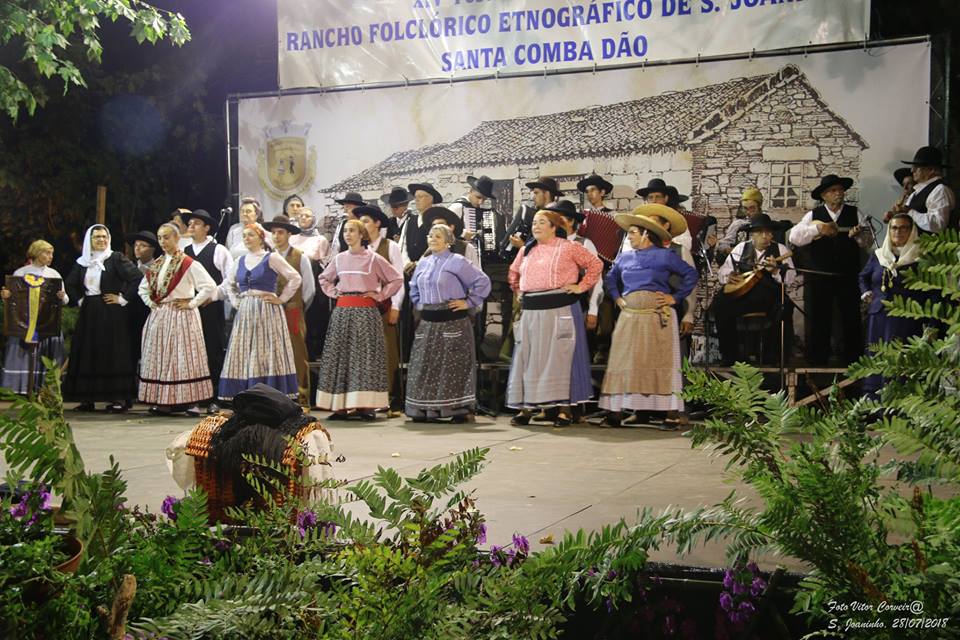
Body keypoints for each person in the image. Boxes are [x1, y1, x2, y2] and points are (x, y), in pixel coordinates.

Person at [598, 205, 698, 428]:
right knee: (624, 361)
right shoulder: (624, 258)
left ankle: (671, 413)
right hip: (630, 317)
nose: (629, 236)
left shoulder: (665, 256)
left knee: (661, 362)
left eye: (633, 232)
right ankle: (615, 412)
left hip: (656, 316)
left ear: (645, 234)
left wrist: (676, 297)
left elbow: (691, 274)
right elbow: (610, 278)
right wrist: (617, 297)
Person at [507, 209, 602, 427]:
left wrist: (581, 286)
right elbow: (513, 273)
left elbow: (596, 265)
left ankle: (564, 409)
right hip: (532, 311)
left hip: (559, 309)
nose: (536, 226)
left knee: (559, 358)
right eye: (534, 223)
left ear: (554, 227)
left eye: (542, 222)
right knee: (528, 358)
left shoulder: (568, 247)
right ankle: (527, 407)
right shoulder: (527, 249)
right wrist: (519, 291)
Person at [316, 219, 403, 420]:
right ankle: (341, 406)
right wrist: (334, 292)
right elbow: (324, 278)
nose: (348, 234)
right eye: (345, 231)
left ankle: (366, 407)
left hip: (365, 312)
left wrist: (379, 295)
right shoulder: (339, 258)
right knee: (341, 356)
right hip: (343, 311)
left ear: (362, 234)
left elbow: (396, 278)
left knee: (364, 358)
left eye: (352, 231)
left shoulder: (372, 258)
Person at [406, 223, 491, 422]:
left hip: (452, 320)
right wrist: (420, 305)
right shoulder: (424, 263)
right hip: (428, 322)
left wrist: (468, 302)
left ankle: (456, 409)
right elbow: (413, 286)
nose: (432, 239)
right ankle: (425, 409)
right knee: (425, 365)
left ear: (448, 241)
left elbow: (482, 281)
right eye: (430, 235)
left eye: (437, 236)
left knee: (452, 366)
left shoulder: (457, 261)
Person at [788, 174, 872, 366]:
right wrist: (818, 230)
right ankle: (818, 361)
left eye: (840, 190)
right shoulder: (813, 215)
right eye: (833, 190)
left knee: (850, 318)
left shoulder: (855, 213)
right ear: (824, 195)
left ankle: (853, 363)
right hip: (820, 276)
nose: (838, 193)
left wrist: (858, 237)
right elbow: (795, 237)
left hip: (848, 275)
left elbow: (866, 243)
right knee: (819, 319)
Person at [138, 223, 218, 414]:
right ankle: (165, 401)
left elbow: (209, 286)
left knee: (185, 358)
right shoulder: (157, 264)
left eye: (166, 237)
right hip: (161, 316)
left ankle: (193, 403)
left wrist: (191, 303)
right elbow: (142, 288)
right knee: (163, 358)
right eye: (160, 238)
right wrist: (151, 303)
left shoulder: (188, 263)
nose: (163, 241)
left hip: (182, 316)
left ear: (176, 238)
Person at [62, 224, 142, 411]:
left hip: (111, 311)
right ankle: (87, 398)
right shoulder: (83, 262)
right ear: (89, 240)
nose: (101, 240)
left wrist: (123, 298)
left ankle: (117, 398)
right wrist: (80, 300)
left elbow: (137, 278)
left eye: (104, 236)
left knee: (111, 351)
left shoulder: (115, 258)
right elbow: (70, 283)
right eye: (97, 237)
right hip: (90, 311)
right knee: (88, 351)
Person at [218, 225, 301, 402]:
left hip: (267, 310)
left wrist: (281, 298)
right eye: (245, 236)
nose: (246, 238)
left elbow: (295, 277)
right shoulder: (239, 260)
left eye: (251, 235)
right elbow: (229, 285)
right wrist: (236, 301)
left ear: (261, 238)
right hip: (246, 311)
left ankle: (270, 392)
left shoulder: (271, 258)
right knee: (245, 350)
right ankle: (246, 393)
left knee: (266, 350)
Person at [858, 214, 932, 396]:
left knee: (901, 363)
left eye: (903, 228)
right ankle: (875, 408)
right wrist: (866, 291)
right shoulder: (879, 255)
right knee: (877, 361)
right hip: (879, 318)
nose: (898, 232)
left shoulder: (921, 257)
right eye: (894, 228)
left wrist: (932, 325)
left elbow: (932, 292)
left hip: (907, 319)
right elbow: (863, 276)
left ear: (912, 230)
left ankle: (900, 410)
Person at [712, 213, 796, 366]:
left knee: (786, 306)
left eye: (768, 232)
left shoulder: (781, 249)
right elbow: (723, 272)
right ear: (753, 234)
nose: (765, 236)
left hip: (770, 297)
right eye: (760, 232)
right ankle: (730, 356)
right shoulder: (741, 248)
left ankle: (775, 356)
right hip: (744, 296)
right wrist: (729, 276)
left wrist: (776, 272)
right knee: (720, 303)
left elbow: (790, 277)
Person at [182, 209, 234, 415]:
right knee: (191, 353)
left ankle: (215, 398)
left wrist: (212, 296)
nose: (191, 227)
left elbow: (229, 279)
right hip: (188, 309)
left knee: (212, 351)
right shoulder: (184, 251)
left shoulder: (218, 250)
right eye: (190, 223)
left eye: (196, 223)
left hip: (210, 309)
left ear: (207, 228)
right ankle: (193, 399)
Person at [1, 240, 68, 394]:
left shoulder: (54, 274)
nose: (50, 256)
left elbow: (65, 299)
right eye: (47, 253)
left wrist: (62, 296)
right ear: (37, 253)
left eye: (52, 253)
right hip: (24, 324)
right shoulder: (21, 273)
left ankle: (45, 389)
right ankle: (22, 388)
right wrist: (6, 295)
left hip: (46, 324)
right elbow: (12, 298)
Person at [357, 205, 406, 416]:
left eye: (366, 221)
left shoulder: (390, 246)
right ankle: (369, 398)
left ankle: (391, 399)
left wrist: (395, 305)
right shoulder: (362, 250)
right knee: (367, 353)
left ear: (377, 223)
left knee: (389, 352)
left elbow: (399, 279)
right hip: (365, 309)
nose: (364, 226)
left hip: (385, 307)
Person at [264, 214, 316, 406]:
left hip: (293, 311)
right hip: (270, 312)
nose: (277, 236)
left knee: (297, 354)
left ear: (288, 234)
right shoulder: (267, 257)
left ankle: (302, 399)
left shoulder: (299, 257)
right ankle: (276, 398)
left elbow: (309, 289)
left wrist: (298, 305)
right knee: (272, 354)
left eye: (281, 232)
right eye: (274, 232)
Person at [125, 230, 161, 389]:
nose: (138, 248)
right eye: (136, 245)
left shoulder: (159, 268)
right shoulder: (128, 268)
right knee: (130, 350)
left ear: (152, 249)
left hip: (151, 314)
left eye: (143, 245)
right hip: (130, 316)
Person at [889, 146, 955, 232]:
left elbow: (938, 224)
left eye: (916, 167)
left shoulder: (940, 190)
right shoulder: (916, 193)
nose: (912, 170)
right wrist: (896, 214)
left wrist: (909, 211)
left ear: (931, 170)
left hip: (930, 244)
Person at [714, 187, 763, 262]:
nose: (748, 212)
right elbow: (723, 244)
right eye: (745, 208)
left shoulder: (766, 224)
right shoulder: (738, 224)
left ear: (759, 207)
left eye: (752, 208)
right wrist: (729, 250)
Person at [326, 191, 369, 259]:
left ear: (358, 208)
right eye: (344, 207)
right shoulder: (342, 223)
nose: (345, 210)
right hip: (343, 261)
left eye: (348, 207)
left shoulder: (364, 224)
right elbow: (337, 246)